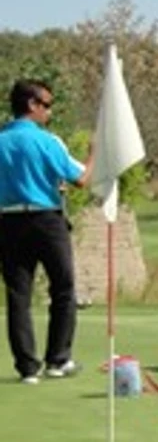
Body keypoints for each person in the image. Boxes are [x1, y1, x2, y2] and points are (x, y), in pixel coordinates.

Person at [0, 79, 88, 384]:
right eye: (46, 105)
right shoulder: (47, 140)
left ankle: (27, 368)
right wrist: (94, 155)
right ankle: (57, 360)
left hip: (8, 221)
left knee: (18, 296)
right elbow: (81, 179)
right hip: (46, 221)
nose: (49, 112)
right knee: (63, 289)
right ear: (32, 105)